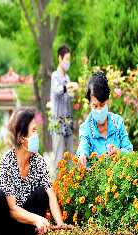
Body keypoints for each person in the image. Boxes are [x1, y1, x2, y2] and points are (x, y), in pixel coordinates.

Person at [0, 108, 66, 235]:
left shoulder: (38, 160)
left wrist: (60, 224)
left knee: (42, 193)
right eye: (34, 131)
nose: (37, 135)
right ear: (22, 138)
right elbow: (11, 208)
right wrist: (37, 219)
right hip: (6, 226)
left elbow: (51, 194)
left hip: (26, 226)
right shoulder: (8, 160)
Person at [76, 72, 133, 168]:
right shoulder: (85, 128)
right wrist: (82, 156)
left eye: (102, 105)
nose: (99, 110)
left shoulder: (118, 122)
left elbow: (129, 151)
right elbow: (83, 146)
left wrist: (119, 153)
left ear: (108, 101)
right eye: (95, 106)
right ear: (89, 103)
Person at [50, 44, 78, 175]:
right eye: (66, 59)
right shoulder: (55, 76)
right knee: (58, 156)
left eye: (69, 59)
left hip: (68, 121)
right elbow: (57, 91)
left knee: (70, 157)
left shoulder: (67, 78)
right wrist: (68, 87)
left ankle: (69, 189)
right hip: (58, 122)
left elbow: (69, 97)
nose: (68, 62)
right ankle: (54, 192)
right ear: (60, 59)